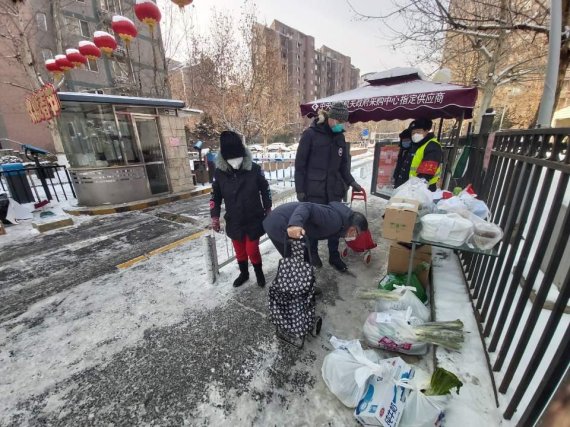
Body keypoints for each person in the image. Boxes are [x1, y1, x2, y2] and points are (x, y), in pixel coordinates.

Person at [294, 102, 363, 272]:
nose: (342, 126)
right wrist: (300, 190)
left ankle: (334, 256)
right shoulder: (310, 135)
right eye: (340, 122)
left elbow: (343, 166)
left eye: (344, 123)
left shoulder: (339, 137)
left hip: (334, 190)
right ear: (331, 118)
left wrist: (351, 182)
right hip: (313, 190)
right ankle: (313, 254)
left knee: (337, 223)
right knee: (314, 224)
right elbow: (300, 165)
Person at [210, 131, 272, 288]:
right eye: (231, 158)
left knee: (252, 250)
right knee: (240, 251)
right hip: (234, 220)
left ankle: (259, 272)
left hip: (254, 218)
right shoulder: (219, 173)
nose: (235, 162)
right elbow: (215, 196)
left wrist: (268, 207)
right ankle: (244, 273)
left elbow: (265, 189)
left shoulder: (254, 169)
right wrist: (215, 216)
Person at [263, 201, 368, 261]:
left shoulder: (342, 224)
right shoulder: (334, 220)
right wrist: (295, 224)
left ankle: (307, 287)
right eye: (357, 234)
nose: (355, 237)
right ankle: (299, 293)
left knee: (304, 259)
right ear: (353, 228)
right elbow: (307, 207)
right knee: (295, 262)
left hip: (286, 223)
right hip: (279, 223)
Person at [408, 118, 443, 192]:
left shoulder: (432, 145)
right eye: (413, 133)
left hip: (425, 188)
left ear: (426, 131)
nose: (415, 135)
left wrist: (415, 188)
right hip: (414, 186)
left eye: (418, 132)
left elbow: (426, 173)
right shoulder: (419, 145)